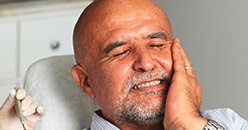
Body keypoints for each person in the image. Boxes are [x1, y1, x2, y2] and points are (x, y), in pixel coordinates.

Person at [0, 0, 247, 129]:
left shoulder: (226, 122)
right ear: (86, 81)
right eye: (120, 51)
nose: (146, 63)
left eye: (157, 44)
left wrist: (187, 124)